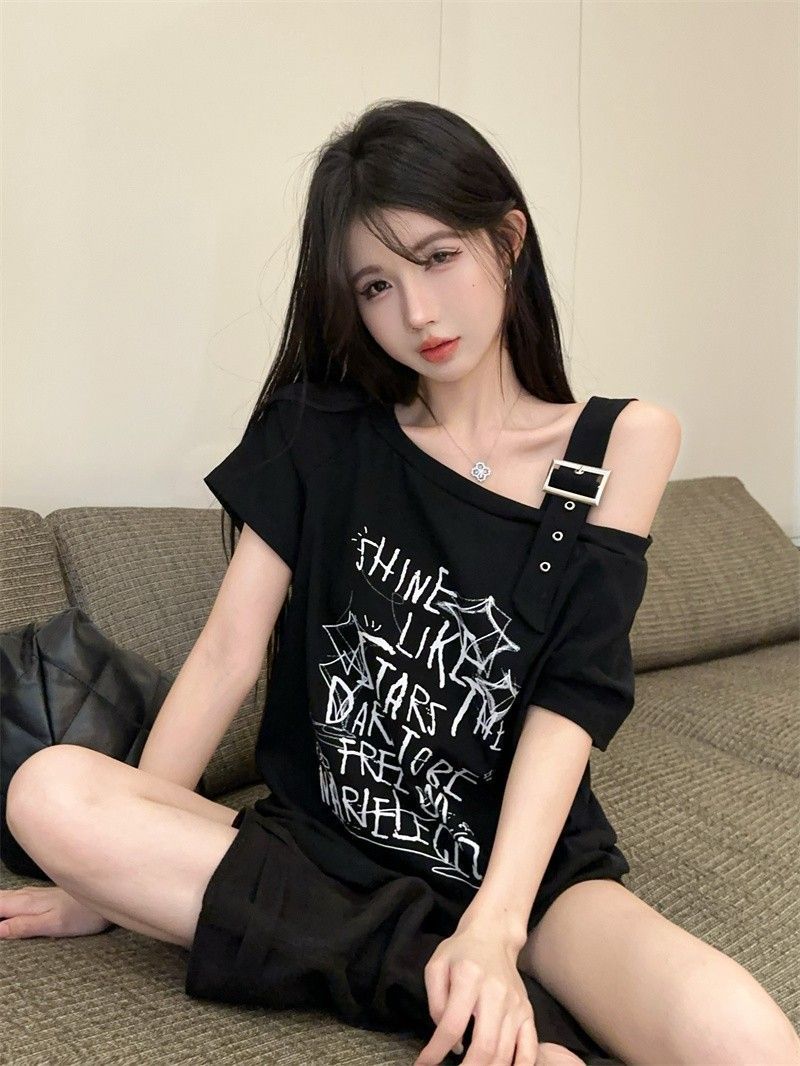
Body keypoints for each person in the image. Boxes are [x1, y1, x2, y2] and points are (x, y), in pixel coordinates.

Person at [3, 99, 798, 1066]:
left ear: (508, 241)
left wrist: (497, 926)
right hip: (321, 845)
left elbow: (574, 697)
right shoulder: (320, 428)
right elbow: (225, 655)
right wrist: (101, 883)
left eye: (438, 257)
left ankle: (473, 987)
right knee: (49, 792)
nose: (416, 313)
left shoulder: (621, 442)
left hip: (524, 873)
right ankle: (458, 1000)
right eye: (376, 285)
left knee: (750, 1041)